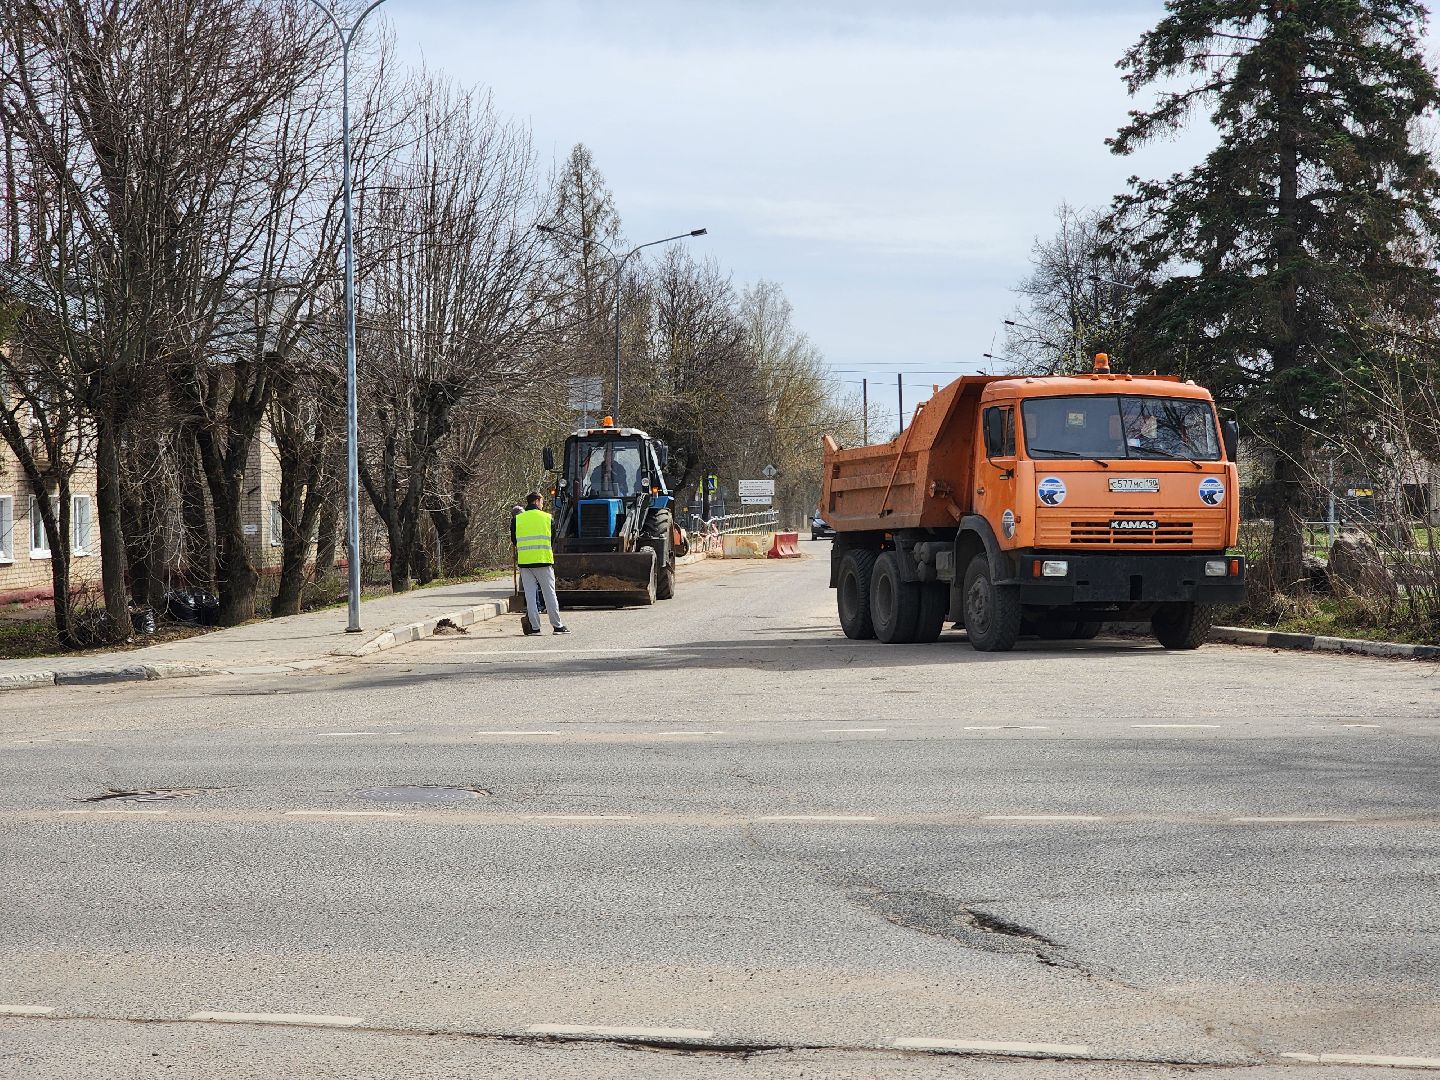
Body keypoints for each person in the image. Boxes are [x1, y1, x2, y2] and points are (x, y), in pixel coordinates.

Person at [512, 492, 567, 636]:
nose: (543, 505)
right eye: (542, 502)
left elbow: (514, 540)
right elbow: (552, 538)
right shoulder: (547, 518)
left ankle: (535, 628)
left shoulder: (517, 519)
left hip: (525, 562)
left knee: (530, 596)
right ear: (537, 501)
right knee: (549, 594)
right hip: (543, 560)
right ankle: (557, 626)